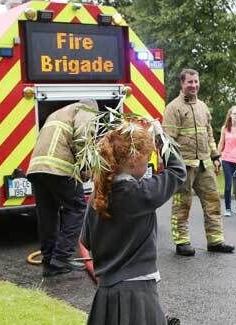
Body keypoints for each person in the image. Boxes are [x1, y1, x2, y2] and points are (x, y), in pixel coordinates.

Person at [81, 120, 186, 325]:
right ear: (133, 159)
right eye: (147, 158)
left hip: (106, 295)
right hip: (138, 295)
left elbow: (86, 242)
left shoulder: (97, 196)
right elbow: (177, 171)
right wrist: (160, 136)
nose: (148, 163)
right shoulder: (140, 194)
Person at [162, 68, 235, 256]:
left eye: (196, 81)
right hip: (183, 166)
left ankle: (215, 241)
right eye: (190, 82)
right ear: (182, 84)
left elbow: (208, 133)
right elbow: (166, 140)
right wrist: (172, 165)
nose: (194, 85)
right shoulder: (173, 108)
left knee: (213, 202)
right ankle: (182, 242)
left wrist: (215, 156)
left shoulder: (202, 106)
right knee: (182, 204)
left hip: (204, 164)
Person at [27, 99, 98, 277]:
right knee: (77, 208)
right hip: (59, 168)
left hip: (37, 168)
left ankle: (49, 261)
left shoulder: (58, 113)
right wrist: (86, 168)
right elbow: (83, 134)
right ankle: (61, 258)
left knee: (48, 214)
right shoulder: (87, 108)